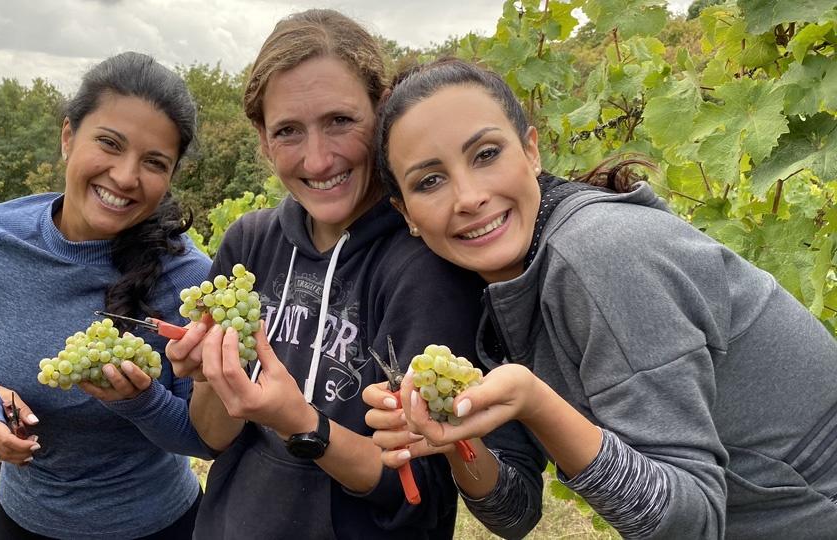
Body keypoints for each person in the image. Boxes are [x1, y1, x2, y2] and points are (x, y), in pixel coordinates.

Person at [365, 58, 837, 539]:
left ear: (531, 151)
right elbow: (514, 513)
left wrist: (537, 404)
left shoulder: (598, 255)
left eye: (486, 154)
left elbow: (688, 527)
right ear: (407, 214)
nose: (467, 196)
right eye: (430, 181)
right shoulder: (489, 286)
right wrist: (450, 437)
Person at [165, 9, 544, 539]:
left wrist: (301, 423)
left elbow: (418, 496)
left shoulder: (427, 269)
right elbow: (215, 436)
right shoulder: (249, 243)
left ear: (381, 109)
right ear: (263, 137)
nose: (318, 160)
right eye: (288, 131)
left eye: (340, 121)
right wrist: (212, 376)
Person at [0, 52, 214, 539]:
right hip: (22, 521)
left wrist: (141, 402)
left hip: (159, 526)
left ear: (170, 177)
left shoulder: (188, 278)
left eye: (154, 162)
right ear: (68, 137)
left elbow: (206, 438)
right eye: (109, 143)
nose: (126, 177)